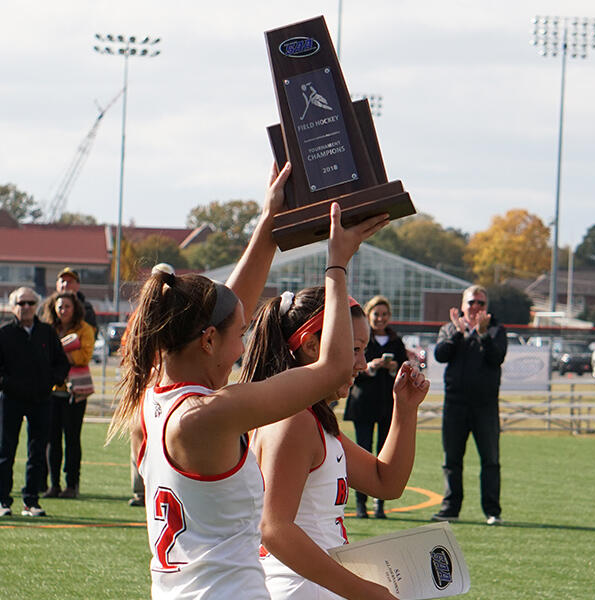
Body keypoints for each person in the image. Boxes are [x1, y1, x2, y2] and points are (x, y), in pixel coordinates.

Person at [107, 162, 389, 599]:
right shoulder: (207, 415)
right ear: (207, 342)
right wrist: (337, 265)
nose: (244, 348)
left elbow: (224, 306)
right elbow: (331, 369)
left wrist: (270, 221)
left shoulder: (154, 393)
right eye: (240, 336)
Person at [241, 288, 429, 600]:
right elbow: (274, 528)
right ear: (312, 346)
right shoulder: (294, 421)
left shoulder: (311, 418)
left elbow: (386, 482)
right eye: (354, 349)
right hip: (299, 589)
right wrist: (365, 592)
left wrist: (405, 410)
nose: (363, 363)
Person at [431, 284, 507, 526]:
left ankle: (492, 511)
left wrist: (482, 334)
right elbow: (441, 354)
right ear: (462, 306)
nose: (475, 307)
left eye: (480, 303)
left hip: (485, 407)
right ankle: (450, 508)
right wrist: (457, 332)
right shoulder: (449, 328)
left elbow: (497, 358)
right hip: (455, 405)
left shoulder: (496, 330)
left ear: (487, 307)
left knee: (490, 460)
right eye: (471, 302)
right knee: (451, 459)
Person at [0, 287, 70, 517]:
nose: (26, 307)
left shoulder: (47, 333)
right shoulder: (4, 334)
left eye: (31, 303)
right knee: (5, 452)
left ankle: (31, 501)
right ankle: (3, 501)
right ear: (13, 307)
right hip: (10, 400)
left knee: (37, 452)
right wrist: (8, 384)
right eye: (21, 303)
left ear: (37, 305)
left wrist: (51, 381)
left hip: (41, 400)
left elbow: (61, 363)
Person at [343, 294, 409, 518]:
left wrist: (392, 367)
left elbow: (402, 370)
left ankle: (380, 504)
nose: (380, 318)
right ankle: (360, 504)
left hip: (386, 406)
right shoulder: (361, 339)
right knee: (363, 453)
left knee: (385, 453)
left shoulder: (396, 341)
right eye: (376, 314)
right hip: (363, 404)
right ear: (369, 315)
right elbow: (350, 370)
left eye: (384, 314)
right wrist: (371, 366)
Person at [41, 290, 95, 499]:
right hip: (53, 391)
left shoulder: (85, 329)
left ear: (75, 308)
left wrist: (59, 352)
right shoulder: (48, 329)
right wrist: (63, 352)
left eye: (67, 306)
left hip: (76, 393)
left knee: (72, 439)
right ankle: (53, 485)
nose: (63, 310)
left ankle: (71, 485)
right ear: (54, 308)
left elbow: (84, 356)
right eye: (60, 306)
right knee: (52, 440)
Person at [53, 267, 98, 335]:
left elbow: (92, 335)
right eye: (62, 281)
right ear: (57, 284)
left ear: (78, 285)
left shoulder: (86, 310)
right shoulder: (46, 307)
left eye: (70, 282)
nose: (65, 285)